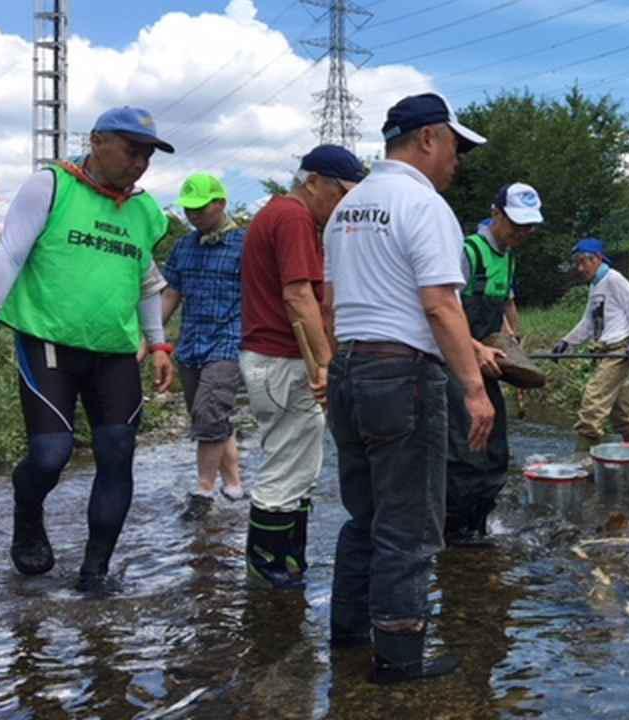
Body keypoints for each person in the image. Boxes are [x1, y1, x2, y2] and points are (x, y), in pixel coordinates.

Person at [0, 106, 176, 591]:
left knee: (117, 450)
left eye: (147, 154)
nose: (139, 162)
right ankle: (28, 510)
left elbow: (145, 281)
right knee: (50, 453)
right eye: (130, 149)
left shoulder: (145, 210)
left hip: (115, 352)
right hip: (49, 344)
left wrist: (159, 344)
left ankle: (94, 574)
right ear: (97, 141)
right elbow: (10, 254)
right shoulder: (51, 186)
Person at [324, 91, 495, 683]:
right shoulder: (423, 205)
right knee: (410, 524)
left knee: (363, 514)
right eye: (456, 146)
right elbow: (441, 305)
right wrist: (474, 389)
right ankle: (398, 657)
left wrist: (328, 367)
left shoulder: (349, 207)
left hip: (347, 368)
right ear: (428, 138)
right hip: (401, 376)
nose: (459, 161)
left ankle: (346, 634)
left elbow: (329, 301)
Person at [239, 144, 365, 590]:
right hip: (283, 358)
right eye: (342, 194)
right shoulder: (293, 218)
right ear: (313, 181)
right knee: (287, 466)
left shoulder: (281, 216)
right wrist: (326, 365)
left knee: (298, 464)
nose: (344, 205)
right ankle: (268, 564)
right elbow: (298, 296)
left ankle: (288, 559)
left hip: (272, 358)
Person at [446, 182, 544, 544]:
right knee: (464, 451)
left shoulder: (508, 256)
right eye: (517, 224)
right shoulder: (467, 252)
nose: (524, 232)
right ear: (496, 214)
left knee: (496, 450)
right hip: (453, 367)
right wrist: (475, 349)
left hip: (487, 365)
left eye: (529, 226)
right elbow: (444, 310)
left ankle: (480, 528)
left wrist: (512, 343)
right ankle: (455, 535)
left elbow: (506, 304)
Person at [161, 173, 247, 520]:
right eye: (189, 210)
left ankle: (204, 490)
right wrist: (152, 338)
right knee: (209, 414)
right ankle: (235, 485)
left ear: (220, 203)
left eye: (200, 209)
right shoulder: (184, 247)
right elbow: (171, 294)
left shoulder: (246, 244)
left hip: (230, 340)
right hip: (192, 343)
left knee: (210, 412)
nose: (193, 216)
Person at [551, 238, 629, 474]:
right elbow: (589, 322)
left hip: (620, 350)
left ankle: (583, 461)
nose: (579, 268)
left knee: (594, 399)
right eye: (577, 263)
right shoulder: (596, 286)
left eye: (582, 262)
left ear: (597, 259)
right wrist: (567, 342)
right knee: (624, 415)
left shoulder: (615, 280)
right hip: (606, 348)